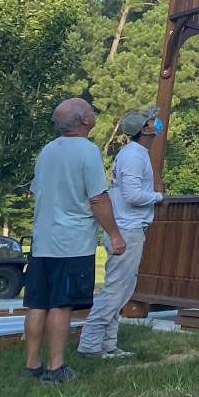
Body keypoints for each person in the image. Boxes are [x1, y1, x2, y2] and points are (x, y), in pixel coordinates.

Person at [24, 98, 127, 384]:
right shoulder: (87, 151)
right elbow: (97, 197)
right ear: (84, 120)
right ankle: (56, 369)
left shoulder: (47, 151)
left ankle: (32, 365)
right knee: (61, 304)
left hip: (42, 239)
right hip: (71, 241)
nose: (94, 113)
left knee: (38, 303)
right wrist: (115, 234)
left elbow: (37, 191)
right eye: (91, 110)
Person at [76, 107, 164, 359]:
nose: (156, 124)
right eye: (151, 121)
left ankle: (107, 345)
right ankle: (90, 345)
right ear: (144, 130)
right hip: (127, 229)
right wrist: (159, 196)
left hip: (127, 227)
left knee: (121, 289)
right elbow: (133, 195)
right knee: (116, 290)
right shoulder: (135, 157)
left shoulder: (133, 154)